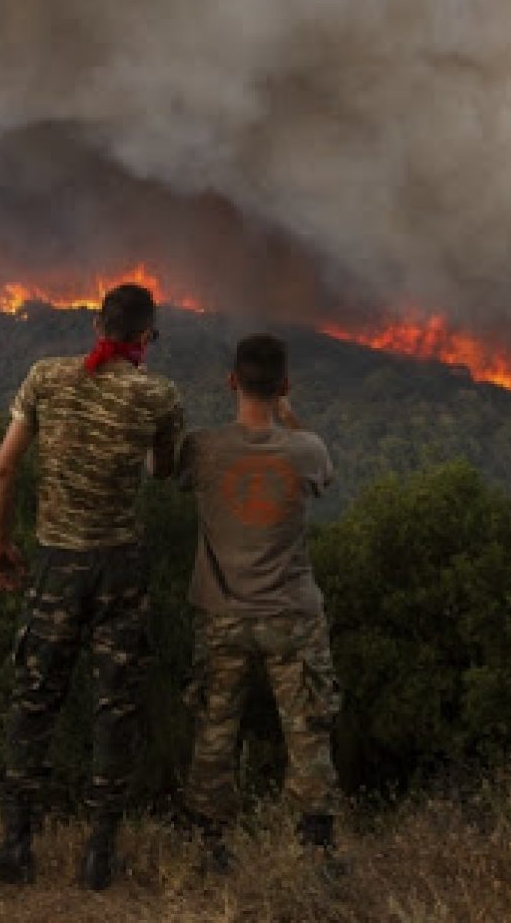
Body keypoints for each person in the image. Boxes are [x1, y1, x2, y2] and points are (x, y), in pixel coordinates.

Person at [0, 283, 183, 891]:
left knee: (33, 700)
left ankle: (18, 848)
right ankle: (99, 854)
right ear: (147, 337)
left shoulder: (44, 378)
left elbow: (4, 466)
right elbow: (166, 470)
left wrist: (0, 541)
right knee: (114, 706)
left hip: (55, 565)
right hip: (120, 569)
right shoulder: (158, 394)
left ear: (97, 324)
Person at [178, 333, 343, 870]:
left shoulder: (203, 448)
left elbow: (166, 471)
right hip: (291, 616)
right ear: (285, 386)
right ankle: (315, 850)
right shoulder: (306, 449)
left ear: (231, 381)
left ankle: (209, 845)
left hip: (221, 615)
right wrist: (289, 417)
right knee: (306, 728)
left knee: (215, 727)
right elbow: (325, 475)